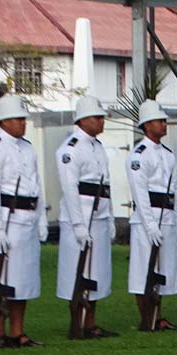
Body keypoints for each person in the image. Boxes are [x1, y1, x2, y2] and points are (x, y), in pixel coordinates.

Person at [0, 94, 48, 348]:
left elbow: (37, 185)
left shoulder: (27, 148)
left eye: (24, 119)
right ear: (5, 121)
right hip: (6, 221)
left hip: (26, 220)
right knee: (2, 281)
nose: (23, 123)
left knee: (23, 280)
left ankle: (17, 332)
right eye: (19, 119)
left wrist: (40, 217)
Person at [56, 95, 117, 339]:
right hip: (79, 218)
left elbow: (106, 186)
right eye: (97, 117)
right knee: (77, 272)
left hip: (99, 215)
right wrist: (79, 224)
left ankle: (91, 323)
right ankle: (76, 323)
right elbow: (70, 188)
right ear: (83, 120)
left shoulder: (98, 147)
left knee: (96, 273)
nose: (102, 122)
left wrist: (111, 217)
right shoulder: (70, 148)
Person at [126, 100, 177, 332]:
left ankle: (159, 316)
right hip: (146, 219)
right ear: (147, 125)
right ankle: (146, 317)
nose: (164, 124)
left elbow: (174, 191)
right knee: (144, 271)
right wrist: (150, 225)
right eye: (160, 121)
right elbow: (140, 193)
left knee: (163, 269)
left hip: (166, 216)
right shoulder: (139, 155)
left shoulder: (168, 155)